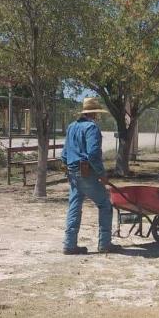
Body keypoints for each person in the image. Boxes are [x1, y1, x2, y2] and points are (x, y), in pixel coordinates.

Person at [60, 97, 120, 255]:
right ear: (94, 113)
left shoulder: (72, 126)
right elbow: (93, 154)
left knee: (74, 207)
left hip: (73, 172)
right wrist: (102, 175)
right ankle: (105, 243)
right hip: (87, 173)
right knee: (105, 205)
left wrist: (68, 168)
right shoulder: (92, 128)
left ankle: (69, 244)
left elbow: (64, 154)